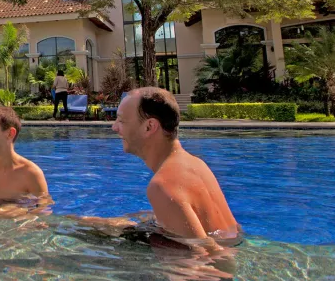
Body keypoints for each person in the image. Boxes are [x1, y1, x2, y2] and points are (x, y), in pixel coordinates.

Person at [82, 88, 240, 243]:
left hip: (215, 264)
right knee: (99, 226)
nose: (114, 127)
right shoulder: (196, 164)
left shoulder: (162, 185)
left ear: (149, 127)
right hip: (234, 248)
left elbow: (202, 261)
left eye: (121, 120)